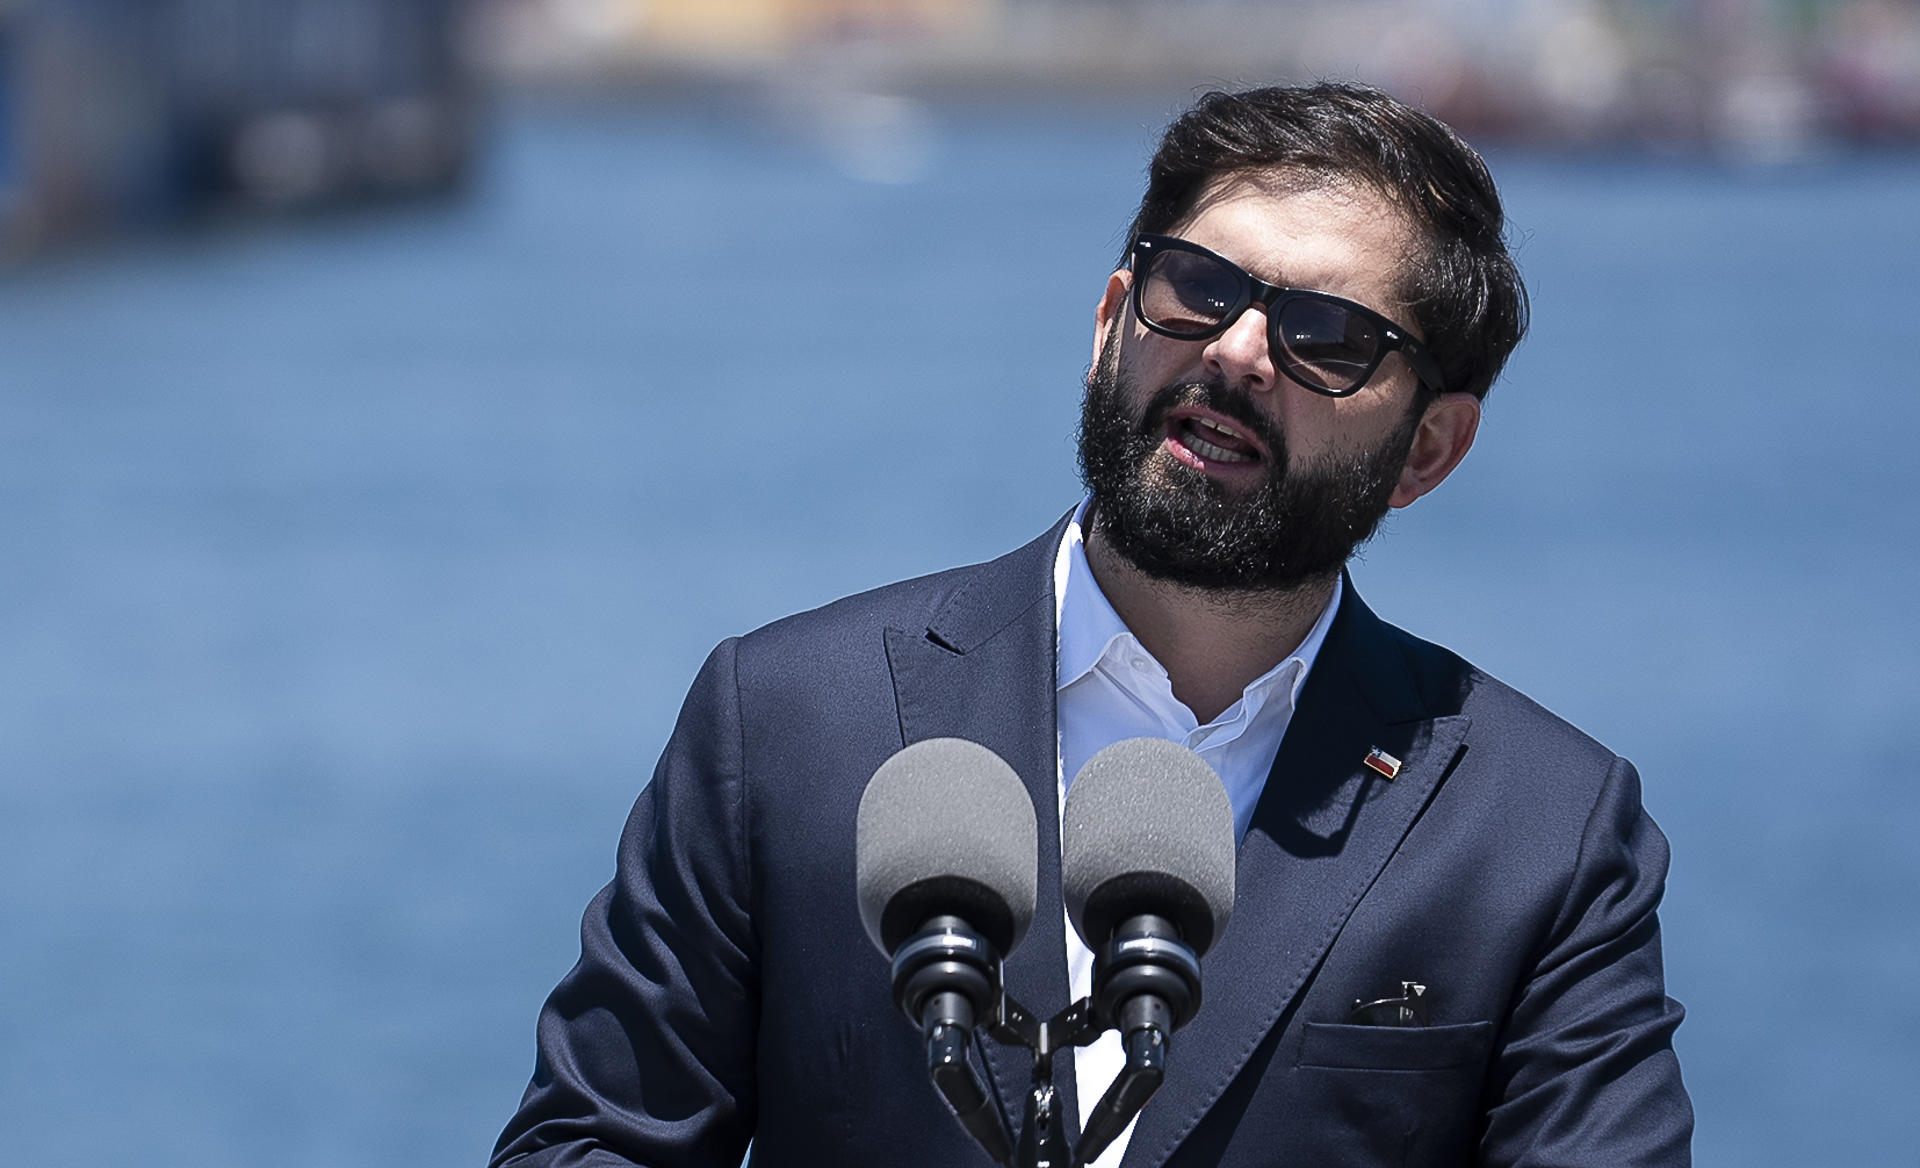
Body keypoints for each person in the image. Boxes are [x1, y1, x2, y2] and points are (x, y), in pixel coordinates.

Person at [490, 83, 1692, 1168]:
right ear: (1114, 319)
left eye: (1325, 337)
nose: (1237, 352)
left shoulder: (1542, 831)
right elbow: (590, 1145)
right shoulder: (792, 718)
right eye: (1200, 290)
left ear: (1427, 448)